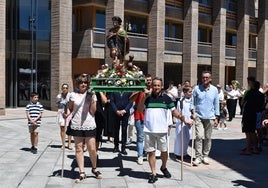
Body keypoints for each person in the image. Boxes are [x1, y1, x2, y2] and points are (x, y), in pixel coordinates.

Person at [137, 77, 184, 183]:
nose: (156, 87)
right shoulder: (147, 98)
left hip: (162, 130)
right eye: (154, 85)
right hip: (149, 130)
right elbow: (139, 110)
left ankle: (163, 167)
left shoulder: (167, 98)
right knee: (151, 152)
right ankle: (153, 173)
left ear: (161, 86)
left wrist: (180, 116)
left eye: (158, 85)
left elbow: (174, 110)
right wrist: (144, 97)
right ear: (151, 86)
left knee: (164, 152)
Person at [65, 74, 102, 183]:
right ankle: (82, 172)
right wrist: (66, 114)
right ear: (77, 84)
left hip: (89, 123)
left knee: (92, 148)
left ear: (88, 84)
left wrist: (92, 100)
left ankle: (94, 168)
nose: (83, 84)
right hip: (77, 124)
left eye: (85, 82)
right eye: (81, 82)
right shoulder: (72, 95)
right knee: (78, 148)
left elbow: (93, 111)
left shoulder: (92, 95)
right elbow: (70, 108)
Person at [190, 70, 219, 166]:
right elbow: (192, 102)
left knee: (208, 137)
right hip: (198, 116)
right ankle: (198, 157)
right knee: (199, 136)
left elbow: (216, 104)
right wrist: (192, 112)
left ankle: (205, 155)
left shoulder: (214, 90)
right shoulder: (197, 89)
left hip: (210, 117)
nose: (205, 79)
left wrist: (216, 117)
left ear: (210, 79)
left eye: (207, 77)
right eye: (203, 77)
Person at [129, 74, 153, 165]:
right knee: (140, 136)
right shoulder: (138, 89)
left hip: (150, 116)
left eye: (150, 80)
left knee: (149, 137)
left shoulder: (154, 89)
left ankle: (147, 152)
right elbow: (131, 100)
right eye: (147, 80)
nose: (148, 81)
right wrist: (139, 90)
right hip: (139, 115)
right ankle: (140, 155)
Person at [240, 77, 264, 155]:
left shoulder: (248, 92)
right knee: (253, 132)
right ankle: (255, 148)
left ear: (250, 83)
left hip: (248, 113)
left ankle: (248, 149)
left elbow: (242, 102)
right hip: (256, 113)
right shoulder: (261, 94)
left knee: (248, 132)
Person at [174, 86, 194, 160]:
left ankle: (185, 153)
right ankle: (179, 154)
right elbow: (180, 112)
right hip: (182, 123)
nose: (191, 93)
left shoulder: (192, 101)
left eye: (191, 92)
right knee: (181, 139)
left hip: (190, 122)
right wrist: (185, 121)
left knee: (187, 138)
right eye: (189, 92)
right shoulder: (181, 101)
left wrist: (192, 120)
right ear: (185, 93)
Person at [56, 83, 72, 150]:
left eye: (66, 88)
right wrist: (63, 113)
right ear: (61, 89)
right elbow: (59, 105)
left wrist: (68, 113)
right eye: (63, 88)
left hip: (69, 112)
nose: (65, 89)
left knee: (69, 128)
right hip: (61, 112)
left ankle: (69, 143)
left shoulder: (70, 95)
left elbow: (71, 105)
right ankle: (63, 144)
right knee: (62, 128)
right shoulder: (59, 96)